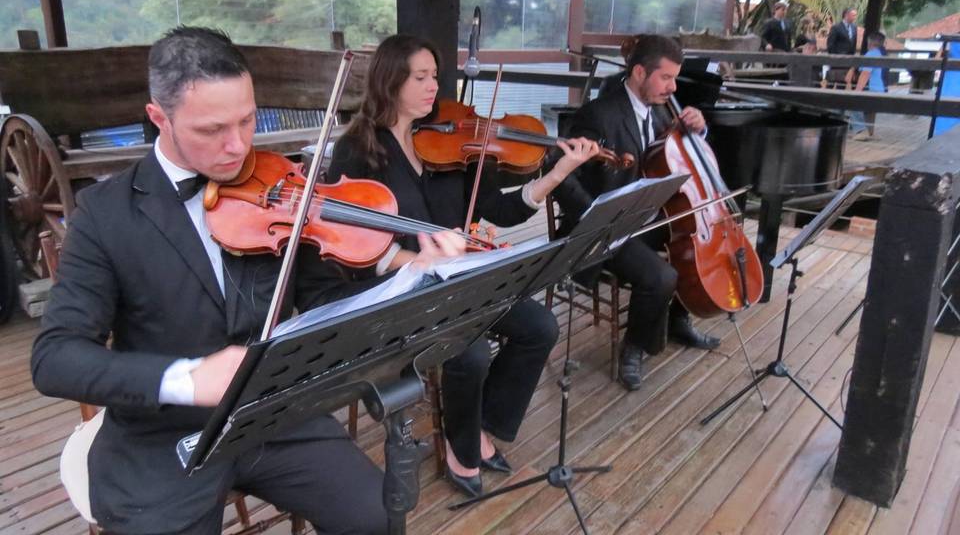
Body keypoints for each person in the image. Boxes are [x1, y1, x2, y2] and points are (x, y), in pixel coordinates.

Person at [30, 26, 464, 535]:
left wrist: (411, 272)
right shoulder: (105, 215)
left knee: (376, 517)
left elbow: (325, 297)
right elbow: (54, 357)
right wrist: (186, 378)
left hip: (273, 414)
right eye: (211, 130)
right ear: (158, 118)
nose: (237, 147)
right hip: (165, 432)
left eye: (247, 120)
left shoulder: (279, 189)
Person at [326, 34, 599, 499]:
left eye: (435, 75)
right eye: (421, 77)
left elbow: (502, 209)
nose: (434, 86)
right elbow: (349, 238)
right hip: (402, 282)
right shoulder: (358, 152)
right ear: (390, 81)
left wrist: (555, 175)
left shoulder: (453, 139)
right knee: (468, 351)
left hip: (460, 275)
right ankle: (461, 445)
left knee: (540, 325)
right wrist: (417, 260)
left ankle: (482, 426)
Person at [553, 34, 721, 392]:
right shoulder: (598, 114)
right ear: (640, 72)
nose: (673, 87)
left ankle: (676, 321)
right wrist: (596, 218)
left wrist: (698, 129)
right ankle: (634, 348)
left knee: (691, 244)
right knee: (660, 276)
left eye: (675, 78)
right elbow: (563, 179)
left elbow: (678, 154)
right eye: (666, 78)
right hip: (604, 228)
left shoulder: (663, 111)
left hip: (645, 216)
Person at [826, 7, 868, 136]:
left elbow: (853, 47)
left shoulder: (854, 29)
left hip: (849, 64)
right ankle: (840, 122)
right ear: (846, 15)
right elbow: (830, 46)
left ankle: (843, 122)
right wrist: (836, 61)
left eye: (855, 15)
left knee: (845, 92)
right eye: (853, 15)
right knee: (839, 91)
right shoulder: (836, 28)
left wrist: (852, 64)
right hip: (838, 64)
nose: (854, 17)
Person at [852, 32, 888, 140]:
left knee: (852, 102)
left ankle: (860, 130)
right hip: (882, 90)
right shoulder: (883, 54)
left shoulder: (871, 54)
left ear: (870, 43)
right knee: (871, 110)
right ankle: (871, 132)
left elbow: (865, 74)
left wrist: (856, 91)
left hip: (872, 89)